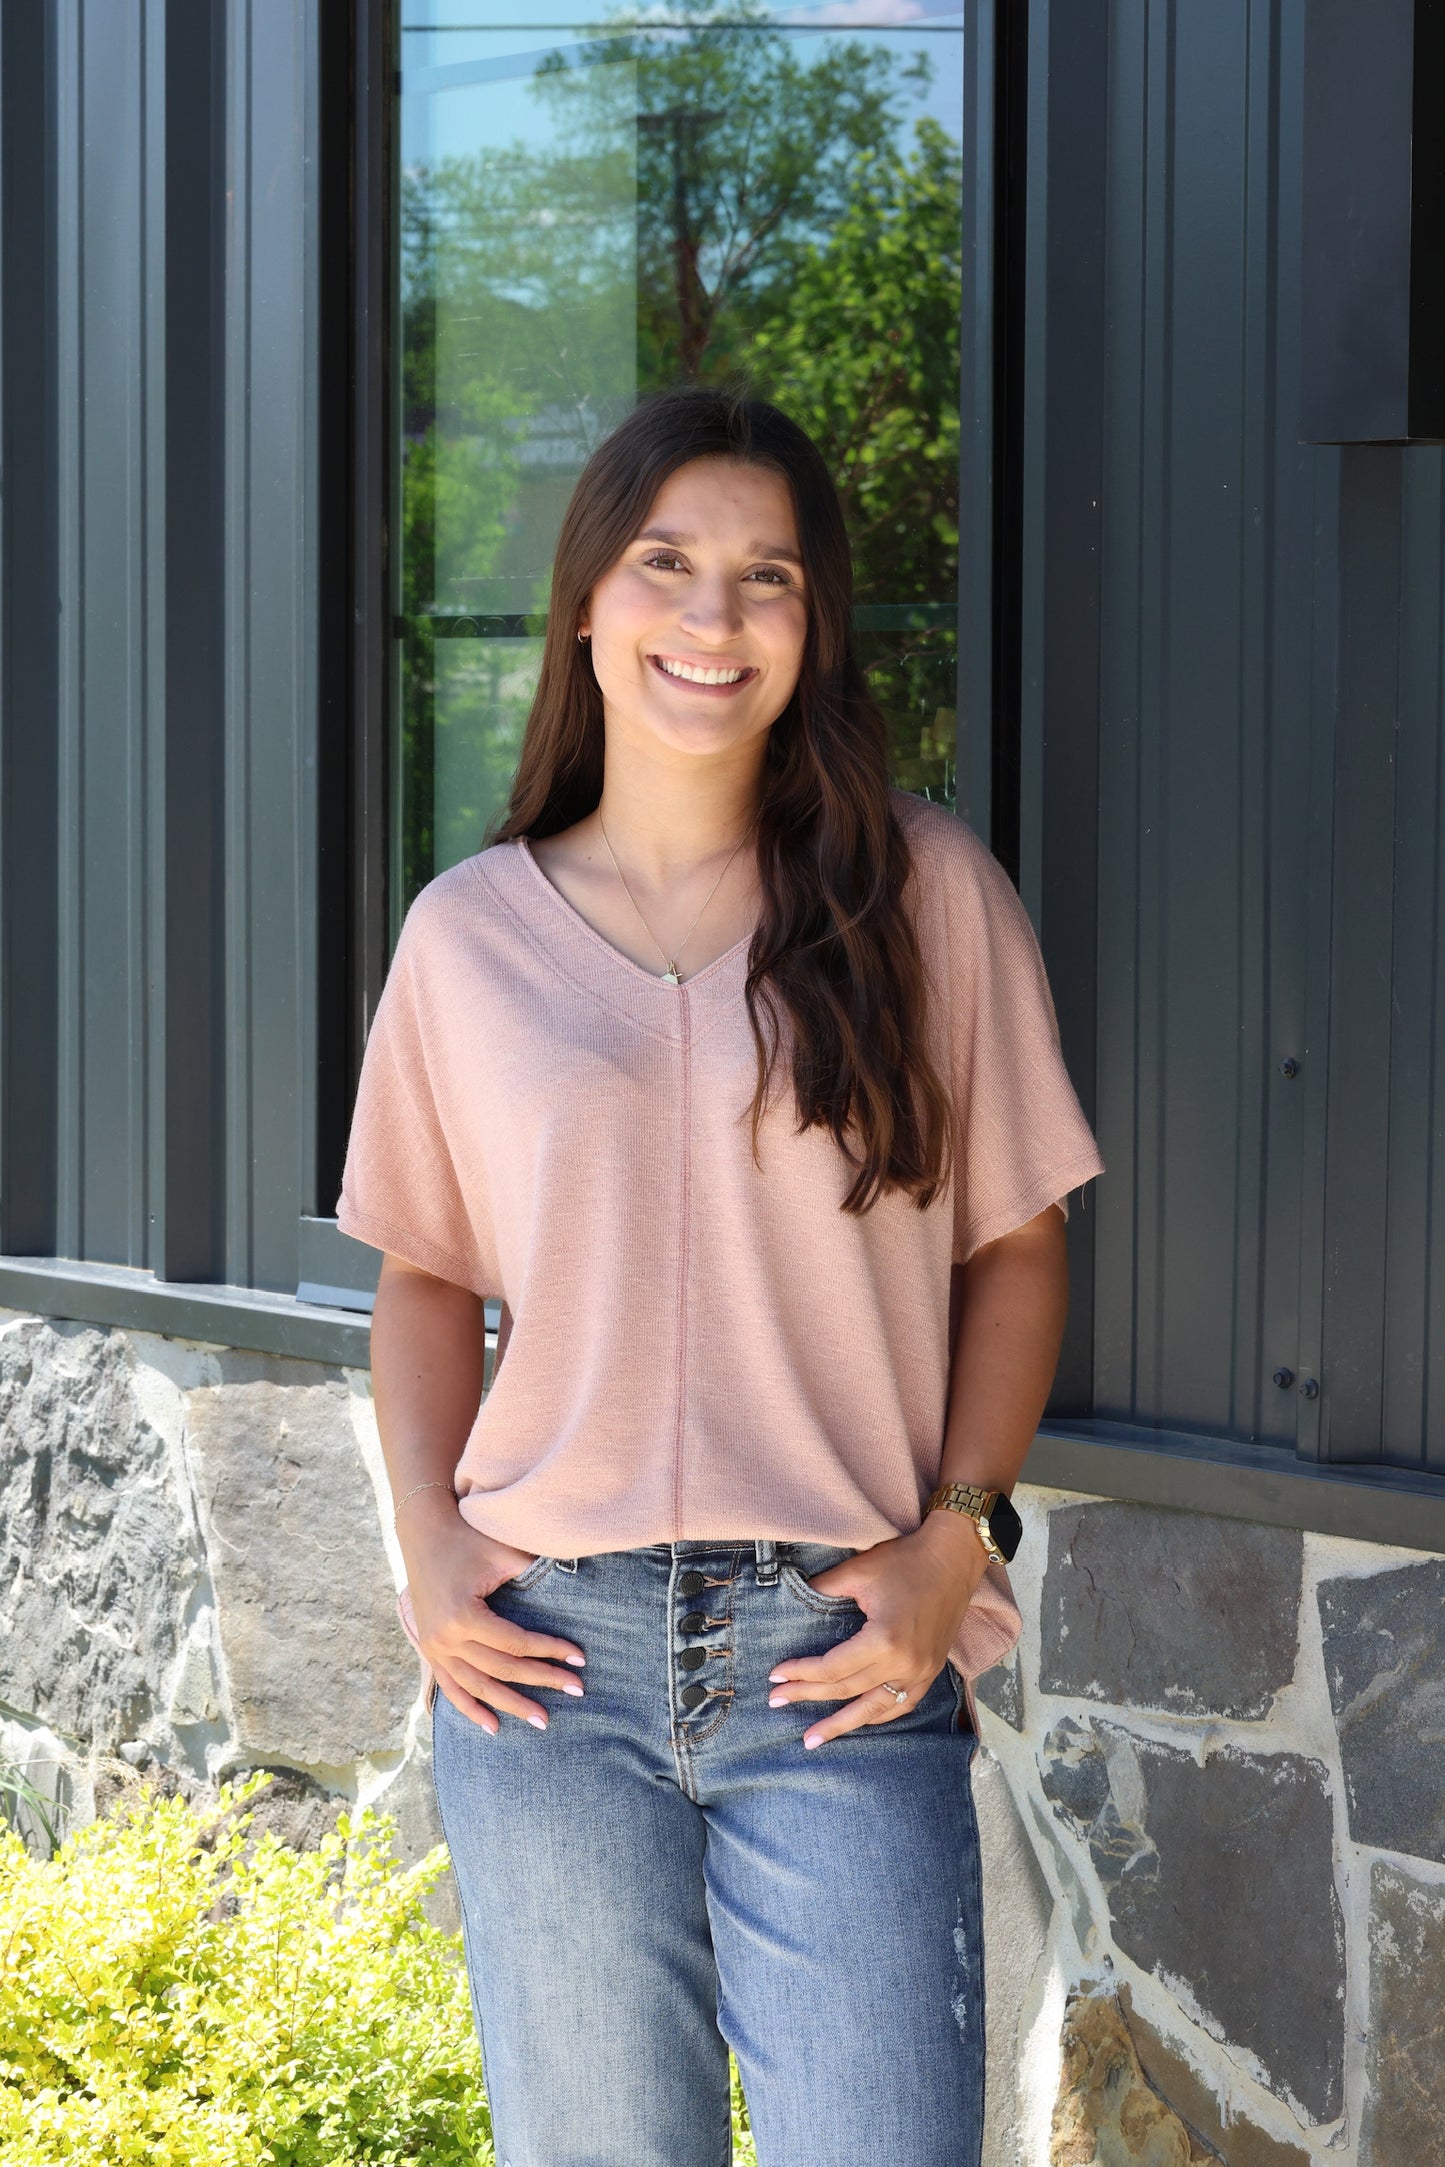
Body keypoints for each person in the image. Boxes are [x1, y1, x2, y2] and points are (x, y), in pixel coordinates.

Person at [336, 388, 1104, 2167]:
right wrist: (434, 1548)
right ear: (590, 603)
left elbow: (1017, 1245)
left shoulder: (923, 894)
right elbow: (424, 1282)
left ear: (812, 624)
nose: (711, 616)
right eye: (666, 563)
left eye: (765, 577)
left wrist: (954, 1538)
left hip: (836, 1652)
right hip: (546, 1671)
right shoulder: (469, 934)